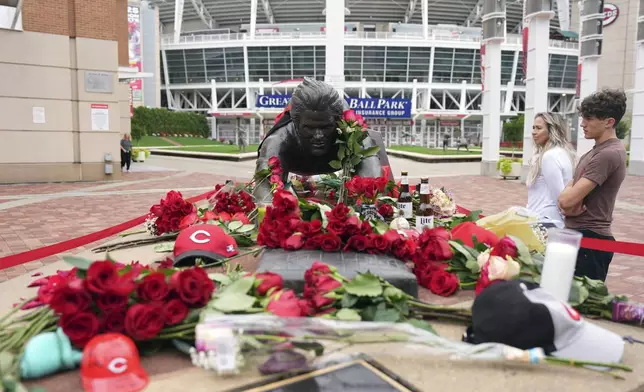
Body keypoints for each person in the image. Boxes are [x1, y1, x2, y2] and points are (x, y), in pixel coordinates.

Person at [558, 89, 628, 282]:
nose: (582, 124)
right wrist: (565, 200)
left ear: (609, 122)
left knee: (583, 307)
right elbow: (566, 195)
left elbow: (567, 199)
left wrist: (566, 201)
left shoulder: (608, 154)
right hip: (578, 235)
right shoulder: (595, 152)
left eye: (589, 118)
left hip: (591, 240)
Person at [525, 113, 576, 227]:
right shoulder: (561, 152)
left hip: (545, 220)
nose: (534, 132)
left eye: (539, 128)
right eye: (533, 127)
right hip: (545, 219)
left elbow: (560, 197)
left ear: (552, 131)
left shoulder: (550, 156)